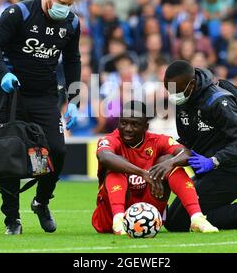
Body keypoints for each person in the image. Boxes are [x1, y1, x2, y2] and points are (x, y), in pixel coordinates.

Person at [0, 0, 82, 235]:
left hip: (45, 96)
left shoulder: (72, 24)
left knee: (57, 151)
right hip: (10, 95)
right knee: (10, 155)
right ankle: (12, 219)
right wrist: (3, 73)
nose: (66, 8)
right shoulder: (18, 13)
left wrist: (74, 99)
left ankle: (41, 202)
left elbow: (72, 60)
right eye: (62, 2)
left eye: (71, 3)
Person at [162, 60, 237, 231]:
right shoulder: (183, 100)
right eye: (169, 90)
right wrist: (164, 153)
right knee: (171, 222)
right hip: (206, 175)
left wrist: (213, 160)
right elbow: (186, 140)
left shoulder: (218, 101)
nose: (172, 95)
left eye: (175, 91)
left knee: (182, 222)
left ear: (191, 85)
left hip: (232, 173)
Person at [92, 100, 218, 235]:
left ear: (145, 127)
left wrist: (170, 163)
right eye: (124, 123)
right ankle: (119, 220)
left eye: (134, 124)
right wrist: (142, 173)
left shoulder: (157, 140)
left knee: (168, 161)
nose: (128, 128)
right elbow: (104, 157)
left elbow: (186, 154)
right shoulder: (110, 139)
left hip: (150, 210)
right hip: (109, 216)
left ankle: (196, 217)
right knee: (116, 165)